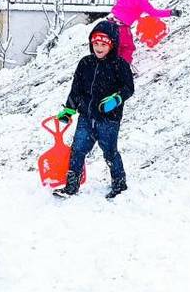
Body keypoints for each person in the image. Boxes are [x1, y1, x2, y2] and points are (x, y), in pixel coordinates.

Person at [53, 20, 135, 200]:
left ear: (112, 45)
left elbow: (129, 88)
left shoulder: (120, 65)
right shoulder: (85, 63)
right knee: (78, 149)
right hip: (86, 117)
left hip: (109, 119)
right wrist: (69, 109)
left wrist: (116, 99)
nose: (99, 48)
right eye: (96, 43)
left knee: (110, 152)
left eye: (103, 44)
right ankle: (71, 185)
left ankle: (119, 183)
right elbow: (76, 89)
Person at [109, 0, 179, 65]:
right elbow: (153, 12)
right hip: (121, 27)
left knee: (116, 48)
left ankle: (112, 66)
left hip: (110, 23)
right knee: (128, 48)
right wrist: (171, 12)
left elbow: (127, 9)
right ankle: (122, 69)